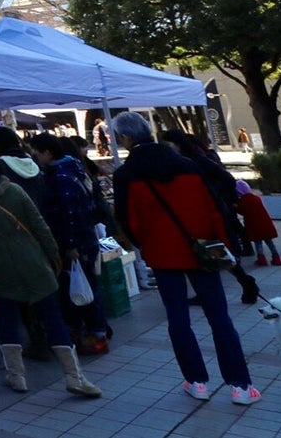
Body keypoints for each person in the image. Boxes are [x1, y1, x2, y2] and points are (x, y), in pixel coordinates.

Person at [111, 112, 258, 405]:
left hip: (162, 253)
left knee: (178, 319)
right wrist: (220, 245)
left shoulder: (126, 174)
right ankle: (241, 386)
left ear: (126, 139)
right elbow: (213, 206)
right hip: (203, 249)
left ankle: (196, 381)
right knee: (220, 318)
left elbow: (129, 221)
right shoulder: (187, 165)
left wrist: (147, 244)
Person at [0, 146, 102, 398]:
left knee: (8, 317)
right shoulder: (13, 190)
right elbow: (39, 225)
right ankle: (75, 377)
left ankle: (16, 375)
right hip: (31, 260)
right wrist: (53, 254)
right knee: (52, 317)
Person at [28, 133, 110, 354]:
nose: (34, 155)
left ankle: (96, 334)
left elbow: (70, 213)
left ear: (47, 152)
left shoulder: (61, 176)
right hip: (81, 239)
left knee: (84, 287)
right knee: (77, 286)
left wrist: (71, 244)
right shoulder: (72, 169)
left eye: (36, 151)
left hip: (77, 242)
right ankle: (83, 330)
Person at [162, 130, 260, 302]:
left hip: (212, 212)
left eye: (167, 144)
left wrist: (212, 195)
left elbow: (227, 179)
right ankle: (237, 283)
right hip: (202, 211)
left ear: (176, 143)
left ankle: (245, 282)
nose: (165, 148)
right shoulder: (182, 161)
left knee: (219, 251)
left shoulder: (196, 160)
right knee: (210, 252)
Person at [232, 182, 281, 268]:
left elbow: (242, 211)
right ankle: (276, 258)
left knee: (258, 243)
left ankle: (262, 260)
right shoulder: (256, 198)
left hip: (254, 226)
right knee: (270, 242)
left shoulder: (242, 201)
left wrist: (235, 206)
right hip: (265, 224)